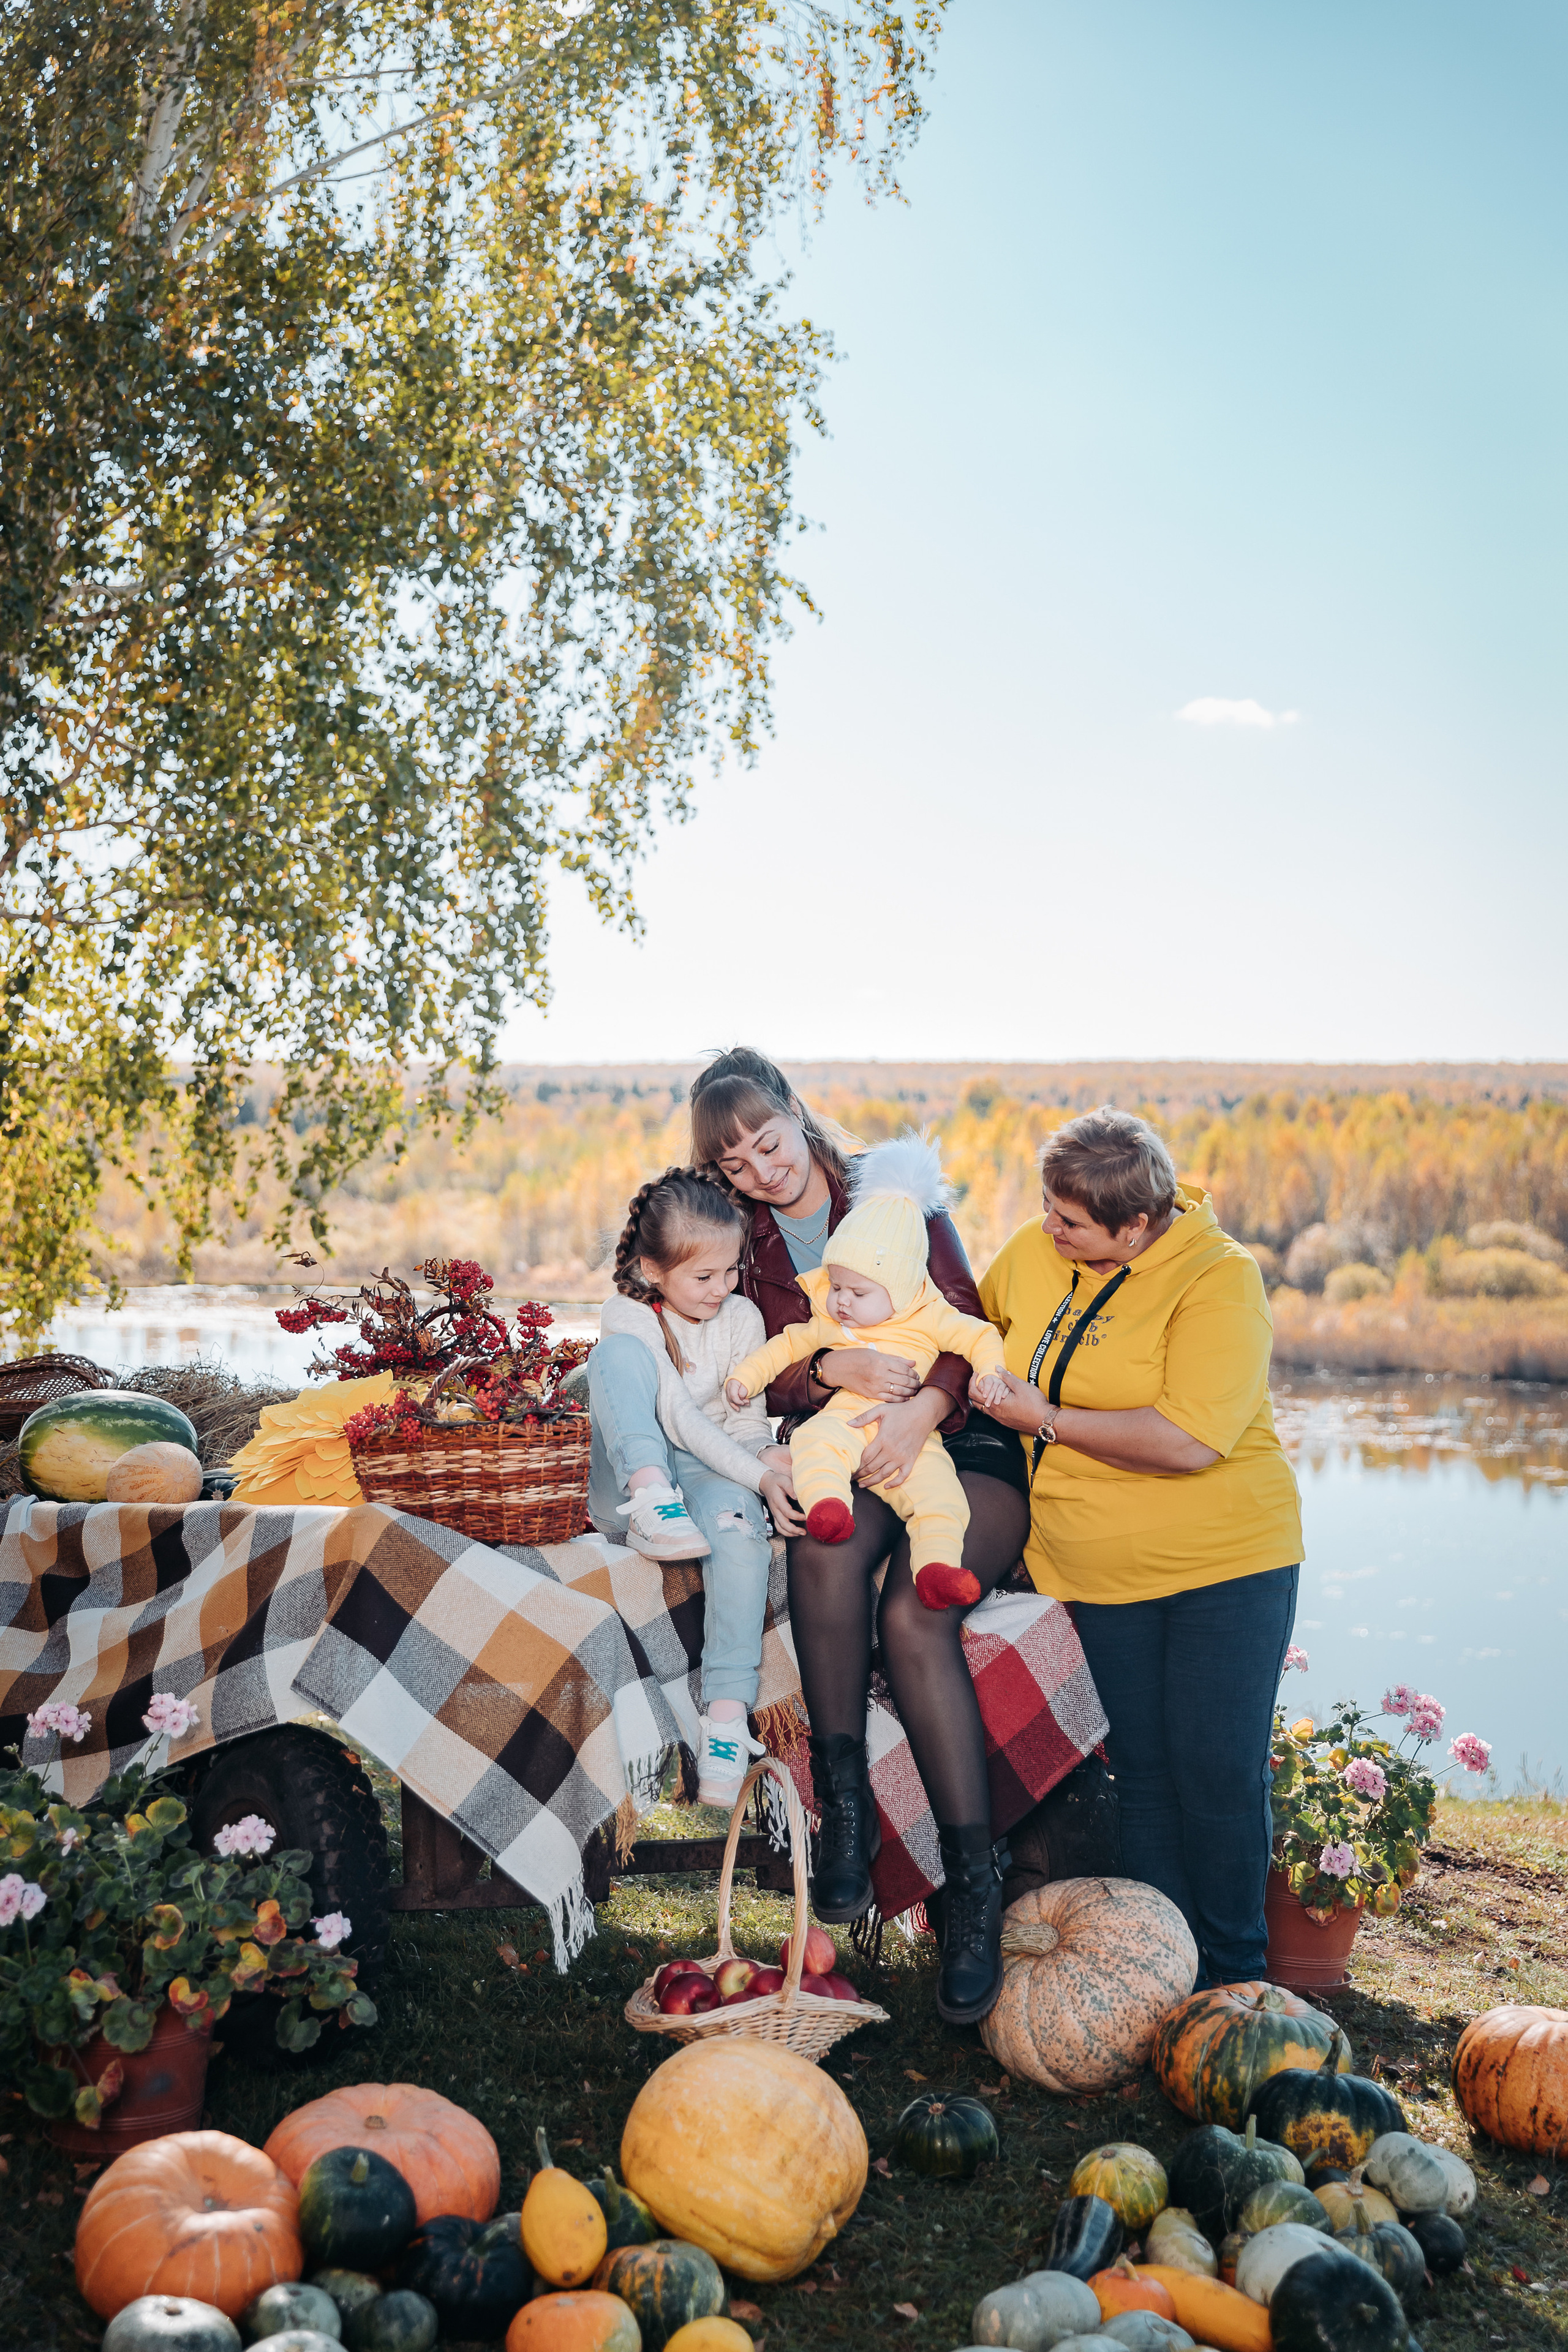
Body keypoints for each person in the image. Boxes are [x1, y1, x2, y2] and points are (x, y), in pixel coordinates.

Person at [690, 1047, 1030, 2025]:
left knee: (916, 1613)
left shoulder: (897, 1198)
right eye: (738, 1164)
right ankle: (843, 1814)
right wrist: (828, 1370)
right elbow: (766, 1365)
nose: (763, 1170)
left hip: (961, 1447)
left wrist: (928, 1406)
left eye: (769, 1141)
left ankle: (974, 1888)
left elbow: (969, 1323)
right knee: (826, 1549)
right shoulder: (743, 1239)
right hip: (851, 1445)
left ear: (799, 1115)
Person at [976, 1104, 1304, 1986]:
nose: (1050, 1227)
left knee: (1219, 1775)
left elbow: (1190, 1438)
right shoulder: (1036, 1252)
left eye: (1072, 1222)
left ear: (1135, 1228)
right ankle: (1164, 1979)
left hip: (1223, 1567)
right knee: (1148, 1777)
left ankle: (1238, 1986)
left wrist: (1041, 1420)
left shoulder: (1220, 1280)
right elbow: (969, 1325)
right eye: (1049, 1207)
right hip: (1095, 1570)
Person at [587, 1167, 804, 1806]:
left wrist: (771, 1464)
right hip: (630, 1478)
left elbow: (740, 1421)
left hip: (710, 1472)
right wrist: (759, 1474)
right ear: (654, 1270)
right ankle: (654, 1500)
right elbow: (678, 1415)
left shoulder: (740, 1318)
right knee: (615, 1360)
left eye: (731, 1270)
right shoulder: (628, 1312)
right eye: (703, 1277)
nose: (722, 1289)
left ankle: (727, 1722)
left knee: (741, 1538)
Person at [726, 1133, 1006, 1611]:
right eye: (836, 1287)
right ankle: (828, 1507)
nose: (841, 1301)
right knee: (814, 1447)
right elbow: (784, 1347)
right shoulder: (825, 1311)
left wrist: (988, 1375)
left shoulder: (926, 1307)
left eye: (769, 1147)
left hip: (929, 1435)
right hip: (844, 1421)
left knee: (939, 1495)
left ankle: (939, 1567)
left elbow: (977, 1333)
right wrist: (759, 1376)